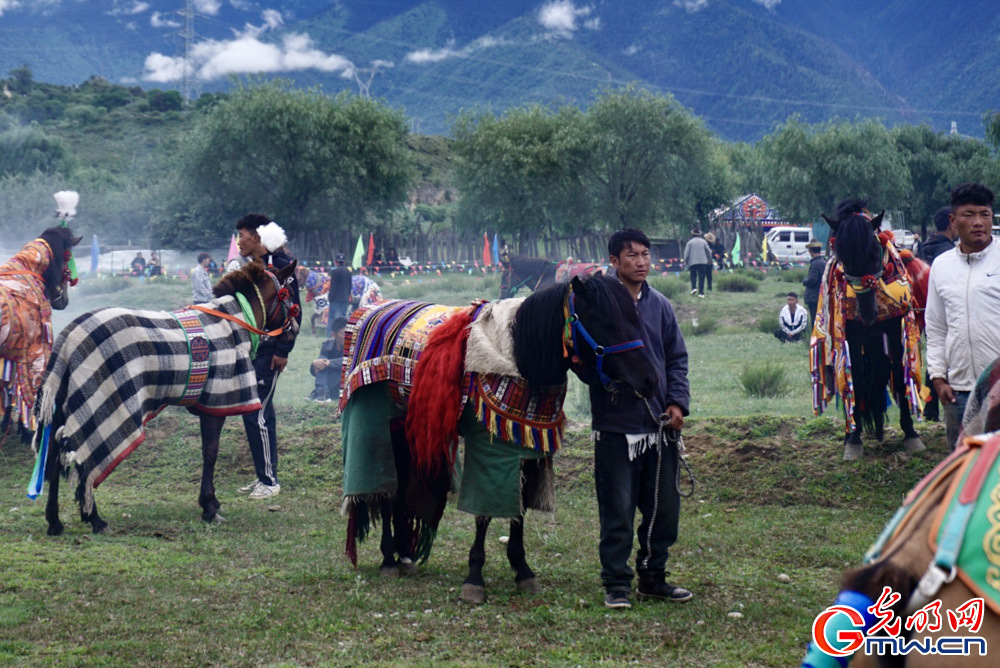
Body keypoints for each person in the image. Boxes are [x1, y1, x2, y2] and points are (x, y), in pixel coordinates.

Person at [590, 227, 692, 610]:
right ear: (614, 261)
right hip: (616, 423)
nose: (642, 262)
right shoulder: (599, 305)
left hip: (660, 424)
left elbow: (677, 359)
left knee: (662, 508)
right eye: (631, 255)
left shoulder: (661, 305)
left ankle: (653, 577)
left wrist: (678, 404)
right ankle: (616, 583)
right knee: (616, 508)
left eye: (646, 254)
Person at [926, 183, 1000, 449]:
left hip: (999, 385)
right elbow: (935, 326)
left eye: (985, 214)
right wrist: (937, 376)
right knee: (963, 469)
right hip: (957, 391)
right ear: (953, 221)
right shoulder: (941, 266)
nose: (978, 222)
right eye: (969, 215)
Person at [234, 214, 302, 499]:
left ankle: (269, 482)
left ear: (256, 238)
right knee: (263, 413)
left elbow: (293, 310)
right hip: (257, 348)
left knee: (256, 411)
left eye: (242, 235)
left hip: (271, 350)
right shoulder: (257, 266)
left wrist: (283, 350)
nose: (238, 241)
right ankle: (266, 474)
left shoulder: (280, 267)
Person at [919, 207, 956, 422]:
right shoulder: (946, 252)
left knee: (934, 361)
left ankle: (929, 408)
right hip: (944, 310)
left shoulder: (925, 247)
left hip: (925, 310)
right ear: (952, 223)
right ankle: (933, 408)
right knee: (943, 361)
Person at [309, 316, 347, 403]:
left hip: (345, 380)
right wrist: (314, 363)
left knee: (328, 365)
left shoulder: (353, 346)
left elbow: (350, 361)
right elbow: (321, 361)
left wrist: (330, 363)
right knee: (321, 365)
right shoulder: (327, 345)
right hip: (331, 378)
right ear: (334, 334)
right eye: (343, 333)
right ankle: (322, 392)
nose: (347, 336)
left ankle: (320, 392)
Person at [802, 240, 826, 329]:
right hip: (821, 296)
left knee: (815, 322)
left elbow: (812, 280)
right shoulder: (823, 262)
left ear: (810, 251)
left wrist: (804, 281)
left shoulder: (815, 263)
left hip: (814, 297)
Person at [327, 253, 352, 338]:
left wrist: (330, 297)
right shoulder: (348, 272)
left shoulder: (334, 272)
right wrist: (348, 296)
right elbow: (350, 286)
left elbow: (333, 286)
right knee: (343, 318)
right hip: (345, 298)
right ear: (344, 262)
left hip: (335, 299)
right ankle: (343, 334)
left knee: (332, 318)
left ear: (336, 262)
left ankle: (329, 335)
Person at [683, 229, 712, 298]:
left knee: (693, 276)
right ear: (700, 235)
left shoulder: (689, 243)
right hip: (703, 262)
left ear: (692, 234)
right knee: (701, 277)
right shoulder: (704, 242)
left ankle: (694, 288)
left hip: (692, 262)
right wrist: (709, 260)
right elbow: (708, 251)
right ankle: (701, 293)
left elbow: (686, 253)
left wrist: (686, 261)